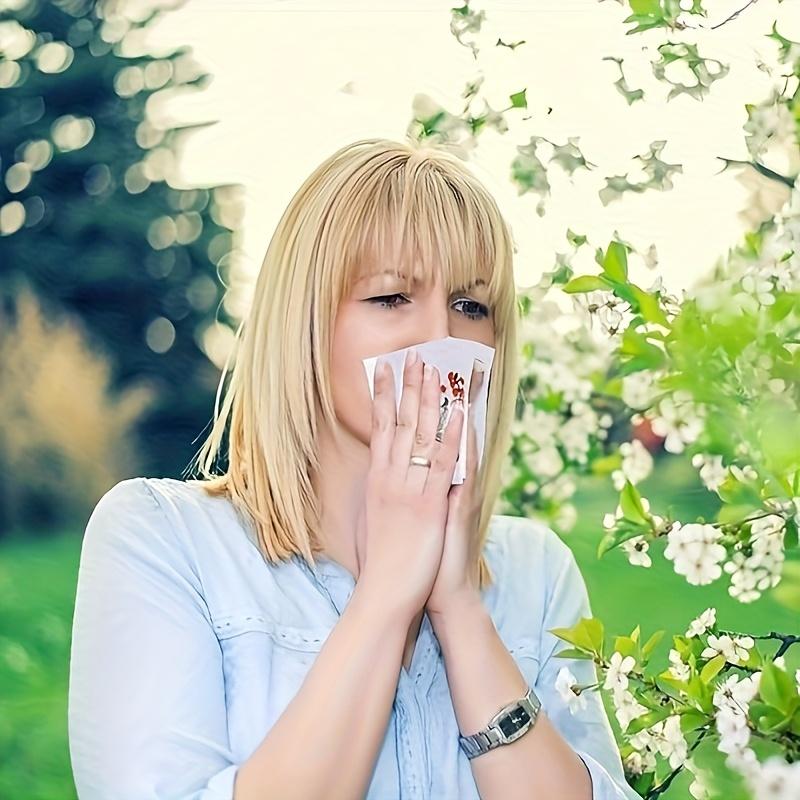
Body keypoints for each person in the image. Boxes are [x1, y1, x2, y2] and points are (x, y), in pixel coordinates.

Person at [68, 137, 642, 799]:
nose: (440, 337)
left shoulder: (536, 570)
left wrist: (458, 609)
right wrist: (388, 593)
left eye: (471, 306)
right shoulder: (164, 540)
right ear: (306, 320)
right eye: (392, 297)